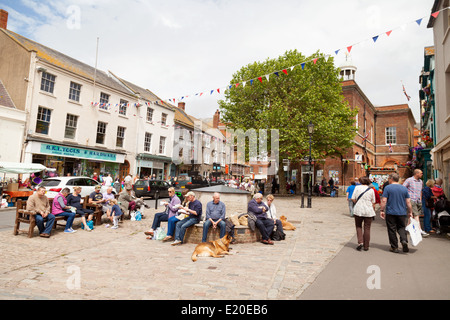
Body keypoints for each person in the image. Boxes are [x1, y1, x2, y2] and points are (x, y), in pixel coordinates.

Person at [380, 172, 413, 253]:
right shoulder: (404, 188)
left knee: (392, 229)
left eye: (388, 178)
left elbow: (384, 200)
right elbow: (408, 202)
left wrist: (381, 210)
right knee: (401, 227)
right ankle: (404, 240)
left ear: (391, 179)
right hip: (402, 212)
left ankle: (394, 247)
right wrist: (410, 212)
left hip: (391, 212)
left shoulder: (388, 188)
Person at [351, 176, 376, 251]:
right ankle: (366, 246)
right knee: (367, 228)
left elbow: (353, 198)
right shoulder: (371, 190)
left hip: (358, 210)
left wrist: (357, 203)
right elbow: (373, 201)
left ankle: (360, 242)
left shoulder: (357, 188)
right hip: (368, 210)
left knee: (358, 226)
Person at [403, 169, 427, 236]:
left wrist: (420, 199)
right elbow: (403, 188)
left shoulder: (420, 181)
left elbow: (421, 191)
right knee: (416, 215)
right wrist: (407, 198)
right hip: (411, 200)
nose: (422, 174)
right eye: (421, 173)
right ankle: (419, 230)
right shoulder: (409, 180)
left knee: (412, 215)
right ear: (417, 173)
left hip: (418, 200)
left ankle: (407, 228)